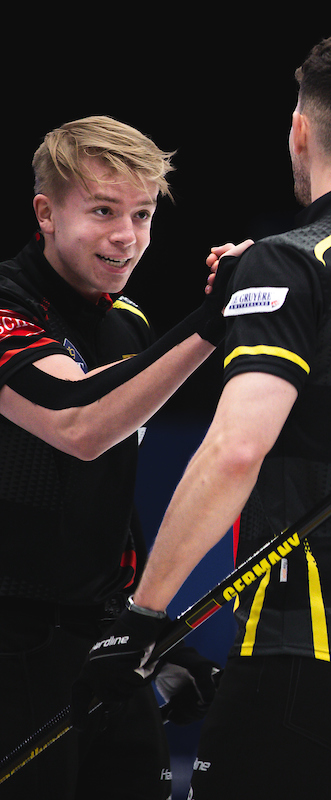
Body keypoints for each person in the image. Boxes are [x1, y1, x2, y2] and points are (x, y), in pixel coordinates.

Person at [76, 32, 331, 800]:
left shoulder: (291, 260)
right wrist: (262, 285)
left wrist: (145, 613)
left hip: (305, 649)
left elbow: (235, 449)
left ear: (299, 131)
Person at [0, 116, 230, 798]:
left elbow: (109, 490)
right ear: (46, 213)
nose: (127, 236)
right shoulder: (6, 304)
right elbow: (78, 423)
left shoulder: (128, 324)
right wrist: (217, 318)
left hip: (102, 643)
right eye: (103, 211)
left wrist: (154, 634)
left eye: (143, 214)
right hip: (15, 647)